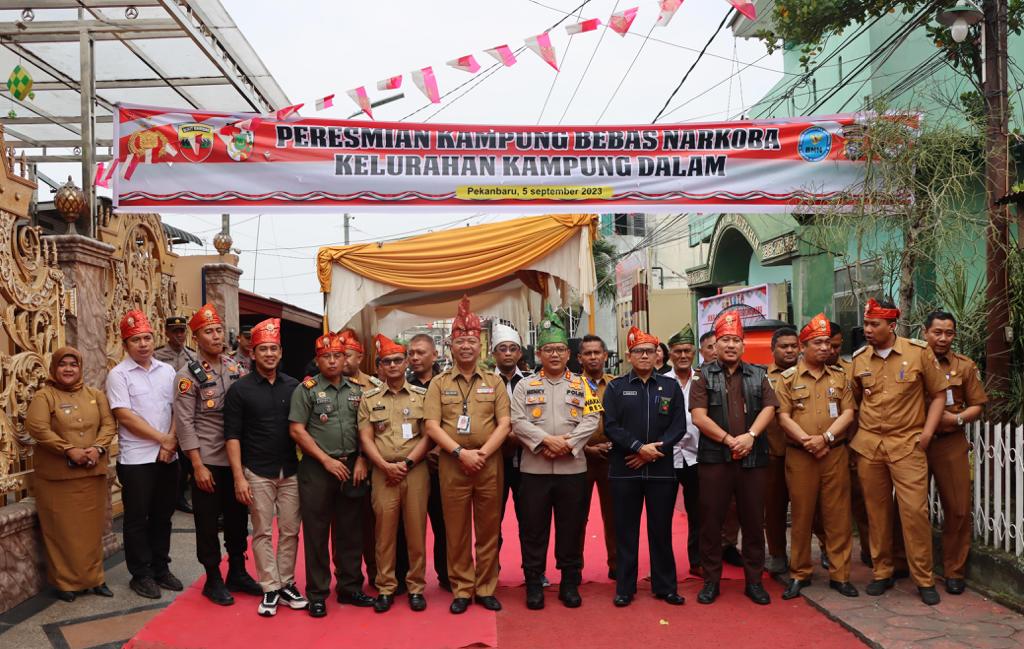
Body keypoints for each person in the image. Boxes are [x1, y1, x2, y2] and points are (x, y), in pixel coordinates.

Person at [850, 299, 947, 605]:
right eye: (866, 324)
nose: (867, 330)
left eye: (873, 324)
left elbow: (939, 395)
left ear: (891, 326)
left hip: (908, 445)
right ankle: (882, 572)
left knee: (914, 512)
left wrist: (928, 434)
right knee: (876, 513)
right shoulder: (859, 359)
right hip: (870, 447)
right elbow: (852, 404)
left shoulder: (918, 353)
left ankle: (924, 578)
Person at [423, 296, 511, 614]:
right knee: (456, 530)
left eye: (472, 341)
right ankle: (462, 587)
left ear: (480, 346)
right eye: (460, 341)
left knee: (489, 529)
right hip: (452, 465)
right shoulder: (438, 383)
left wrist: (482, 454)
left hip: (488, 465)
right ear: (450, 346)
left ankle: (486, 587)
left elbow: (505, 424)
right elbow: (432, 426)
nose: (466, 347)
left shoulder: (495, 382)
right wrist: (461, 453)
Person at [511, 307, 599, 609]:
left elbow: (592, 419)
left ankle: (570, 583)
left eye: (560, 349)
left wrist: (568, 444)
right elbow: (517, 421)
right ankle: (534, 584)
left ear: (568, 353)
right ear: (539, 353)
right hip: (534, 471)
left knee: (571, 529)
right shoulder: (525, 386)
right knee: (533, 529)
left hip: (572, 470)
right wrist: (545, 441)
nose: (554, 354)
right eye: (548, 349)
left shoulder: (583, 384)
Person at [690, 311, 778, 606]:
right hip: (715, 459)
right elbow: (699, 417)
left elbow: (769, 408)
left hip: (752, 460)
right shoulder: (702, 376)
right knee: (711, 522)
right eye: (724, 340)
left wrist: (750, 436)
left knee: (754, 521)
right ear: (714, 345)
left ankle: (754, 581)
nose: (730, 345)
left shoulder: (759, 374)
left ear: (743, 345)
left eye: (735, 340)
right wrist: (729, 440)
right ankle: (711, 581)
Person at [175, 303, 260, 606]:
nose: (215, 336)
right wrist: (196, 465)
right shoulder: (188, 375)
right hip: (208, 460)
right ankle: (213, 577)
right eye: (208, 332)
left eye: (218, 330)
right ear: (195, 337)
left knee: (238, 518)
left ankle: (237, 570)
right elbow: (184, 422)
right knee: (208, 522)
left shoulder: (237, 368)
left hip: (235, 460)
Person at [224, 318, 308, 617]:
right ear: (253, 353)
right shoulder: (240, 390)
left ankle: (286, 582)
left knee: (289, 530)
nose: (269, 354)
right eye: (263, 349)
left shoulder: (294, 386)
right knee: (261, 532)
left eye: (274, 349)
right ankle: (270, 586)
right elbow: (231, 436)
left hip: (291, 471)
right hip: (257, 471)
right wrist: (239, 477)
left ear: (281, 352)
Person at [289, 332, 374, 618]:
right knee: (316, 532)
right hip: (317, 468)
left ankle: (350, 587)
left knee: (350, 530)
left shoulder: (356, 390)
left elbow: (366, 430)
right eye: (326, 356)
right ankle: (317, 593)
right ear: (318, 360)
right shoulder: (307, 390)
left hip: (351, 466)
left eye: (338, 355)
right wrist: (325, 460)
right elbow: (297, 430)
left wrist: (362, 458)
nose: (333, 360)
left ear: (345, 357)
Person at [775, 313, 859, 600]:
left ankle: (841, 575)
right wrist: (807, 441)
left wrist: (826, 438)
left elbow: (849, 411)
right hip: (800, 456)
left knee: (838, 517)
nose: (825, 347)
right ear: (803, 345)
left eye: (827, 342)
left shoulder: (840, 376)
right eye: (818, 342)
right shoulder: (787, 379)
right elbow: (782, 416)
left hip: (834, 453)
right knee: (801, 516)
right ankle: (800, 573)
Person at [603, 326, 686, 608]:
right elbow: (611, 426)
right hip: (625, 468)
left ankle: (666, 587)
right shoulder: (616, 387)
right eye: (638, 351)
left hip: (661, 470)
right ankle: (625, 588)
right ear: (629, 355)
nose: (644, 356)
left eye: (649, 351)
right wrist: (639, 448)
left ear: (658, 355)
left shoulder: (670, 387)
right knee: (626, 531)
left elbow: (679, 426)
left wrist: (654, 452)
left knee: (661, 531)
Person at [27, 346, 116, 602]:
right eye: (63, 364)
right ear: (54, 368)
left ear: (80, 368)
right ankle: (66, 583)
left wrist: (98, 448)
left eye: (73, 364)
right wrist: (69, 450)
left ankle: (95, 579)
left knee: (91, 532)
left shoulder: (95, 395)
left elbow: (109, 424)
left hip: (91, 474)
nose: (68, 369)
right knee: (62, 532)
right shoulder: (45, 396)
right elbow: (38, 428)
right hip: (58, 480)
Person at [106, 310, 183, 600]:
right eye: (136, 340)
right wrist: (163, 439)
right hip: (137, 459)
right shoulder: (118, 375)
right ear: (126, 344)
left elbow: (179, 409)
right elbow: (125, 416)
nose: (143, 344)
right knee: (137, 518)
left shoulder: (168, 371)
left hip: (169, 456)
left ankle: (161, 568)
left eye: (147, 338)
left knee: (163, 515)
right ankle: (141, 574)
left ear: (154, 339)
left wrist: (171, 440)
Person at [358, 334, 432, 613]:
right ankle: (386, 587)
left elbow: (429, 435)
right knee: (384, 534)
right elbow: (365, 438)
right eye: (386, 361)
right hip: (383, 472)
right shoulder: (369, 398)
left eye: (397, 360)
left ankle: (415, 587)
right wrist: (385, 466)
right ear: (379, 367)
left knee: (416, 532)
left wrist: (408, 464)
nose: (392, 365)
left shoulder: (422, 397)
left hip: (415, 471)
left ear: (405, 364)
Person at [922, 310, 987, 595]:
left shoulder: (965, 365)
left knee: (959, 508)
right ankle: (903, 564)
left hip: (950, 441)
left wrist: (957, 419)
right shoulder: (911, 362)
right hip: (915, 441)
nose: (943, 338)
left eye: (949, 333)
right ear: (926, 333)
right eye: (937, 332)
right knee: (910, 507)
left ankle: (953, 571)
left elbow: (977, 405)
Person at [335, 328, 381, 589]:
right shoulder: (322, 384)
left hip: (372, 463)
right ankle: (346, 577)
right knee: (343, 526)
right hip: (339, 464)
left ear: (360, 358)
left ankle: (376, 574)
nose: (342, 360)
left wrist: (365, 457)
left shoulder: (375, 387)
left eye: (348, 355)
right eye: (338, 355)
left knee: (372, 523)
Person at [406, 333, 450, 592]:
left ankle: (447, 574)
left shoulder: (447, 384)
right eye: (411, 353)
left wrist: (442, 450)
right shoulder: (403, 384)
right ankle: (407, 577)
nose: (414, 357)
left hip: (444, 464)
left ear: (434, 355)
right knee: (409, 525)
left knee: (445, 524)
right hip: (412, 466)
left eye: (420, 352)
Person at [830, 321, 872, 567]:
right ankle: (831, 552)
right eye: (825, 344)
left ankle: (869, 551)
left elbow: (860, 410)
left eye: (836, 346)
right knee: (829, 508)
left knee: (862, 503)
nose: (831, 350)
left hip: (853, 446)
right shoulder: (799, 374)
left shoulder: (852, 369)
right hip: (822, 450)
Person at [699, 329, 742, 567]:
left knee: (734, 506)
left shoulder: (750, 374)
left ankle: (728, 545)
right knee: (707, 509)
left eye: (734, 340)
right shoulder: (700, 377)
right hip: (701, 452)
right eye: (714, 345)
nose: (724, 348)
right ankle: (706, 559)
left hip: (738, 450)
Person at [577, 335, 617, 580]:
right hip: (579, 458)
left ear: (605, 355)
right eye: (587, 353)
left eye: (597, 353)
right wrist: (585, 448)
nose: (592, 357)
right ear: (579, 357)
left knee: (614, 515)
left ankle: (616, 564)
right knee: (576, 515)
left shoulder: (616, 385)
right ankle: (574, 568)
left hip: (611, 458)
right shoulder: (570, 386)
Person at [664, 324, 702, 576]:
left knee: (698, 512)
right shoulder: (660, 382)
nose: (683, 355)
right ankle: (663, 565)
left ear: (694, 352)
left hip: (698, 456)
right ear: (670, 353)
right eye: (677, 351)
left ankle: (697, 561)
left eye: (687, 350)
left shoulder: (704, 379)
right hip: (667, 456)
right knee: (662, 513)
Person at [764, 327, 800, 575]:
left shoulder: (809, 373)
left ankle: (806, 555)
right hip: (773, 453)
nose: (789, 350)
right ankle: (777, 553)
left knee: (809, 507)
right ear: (773, 349)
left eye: (793, 346)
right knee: (774, 508)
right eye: (783, 346)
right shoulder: (762, 377)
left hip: (804, 451)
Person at [154, 315, 197, 515]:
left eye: (182, 331)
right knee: (171, 458)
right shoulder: (158, 355)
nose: (179, 335)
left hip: (188, 411)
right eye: (175, 331)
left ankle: (181, 495)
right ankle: (170, 496)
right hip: (167, 410)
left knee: (187, 459)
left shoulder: (193, 356)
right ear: (167, 333)